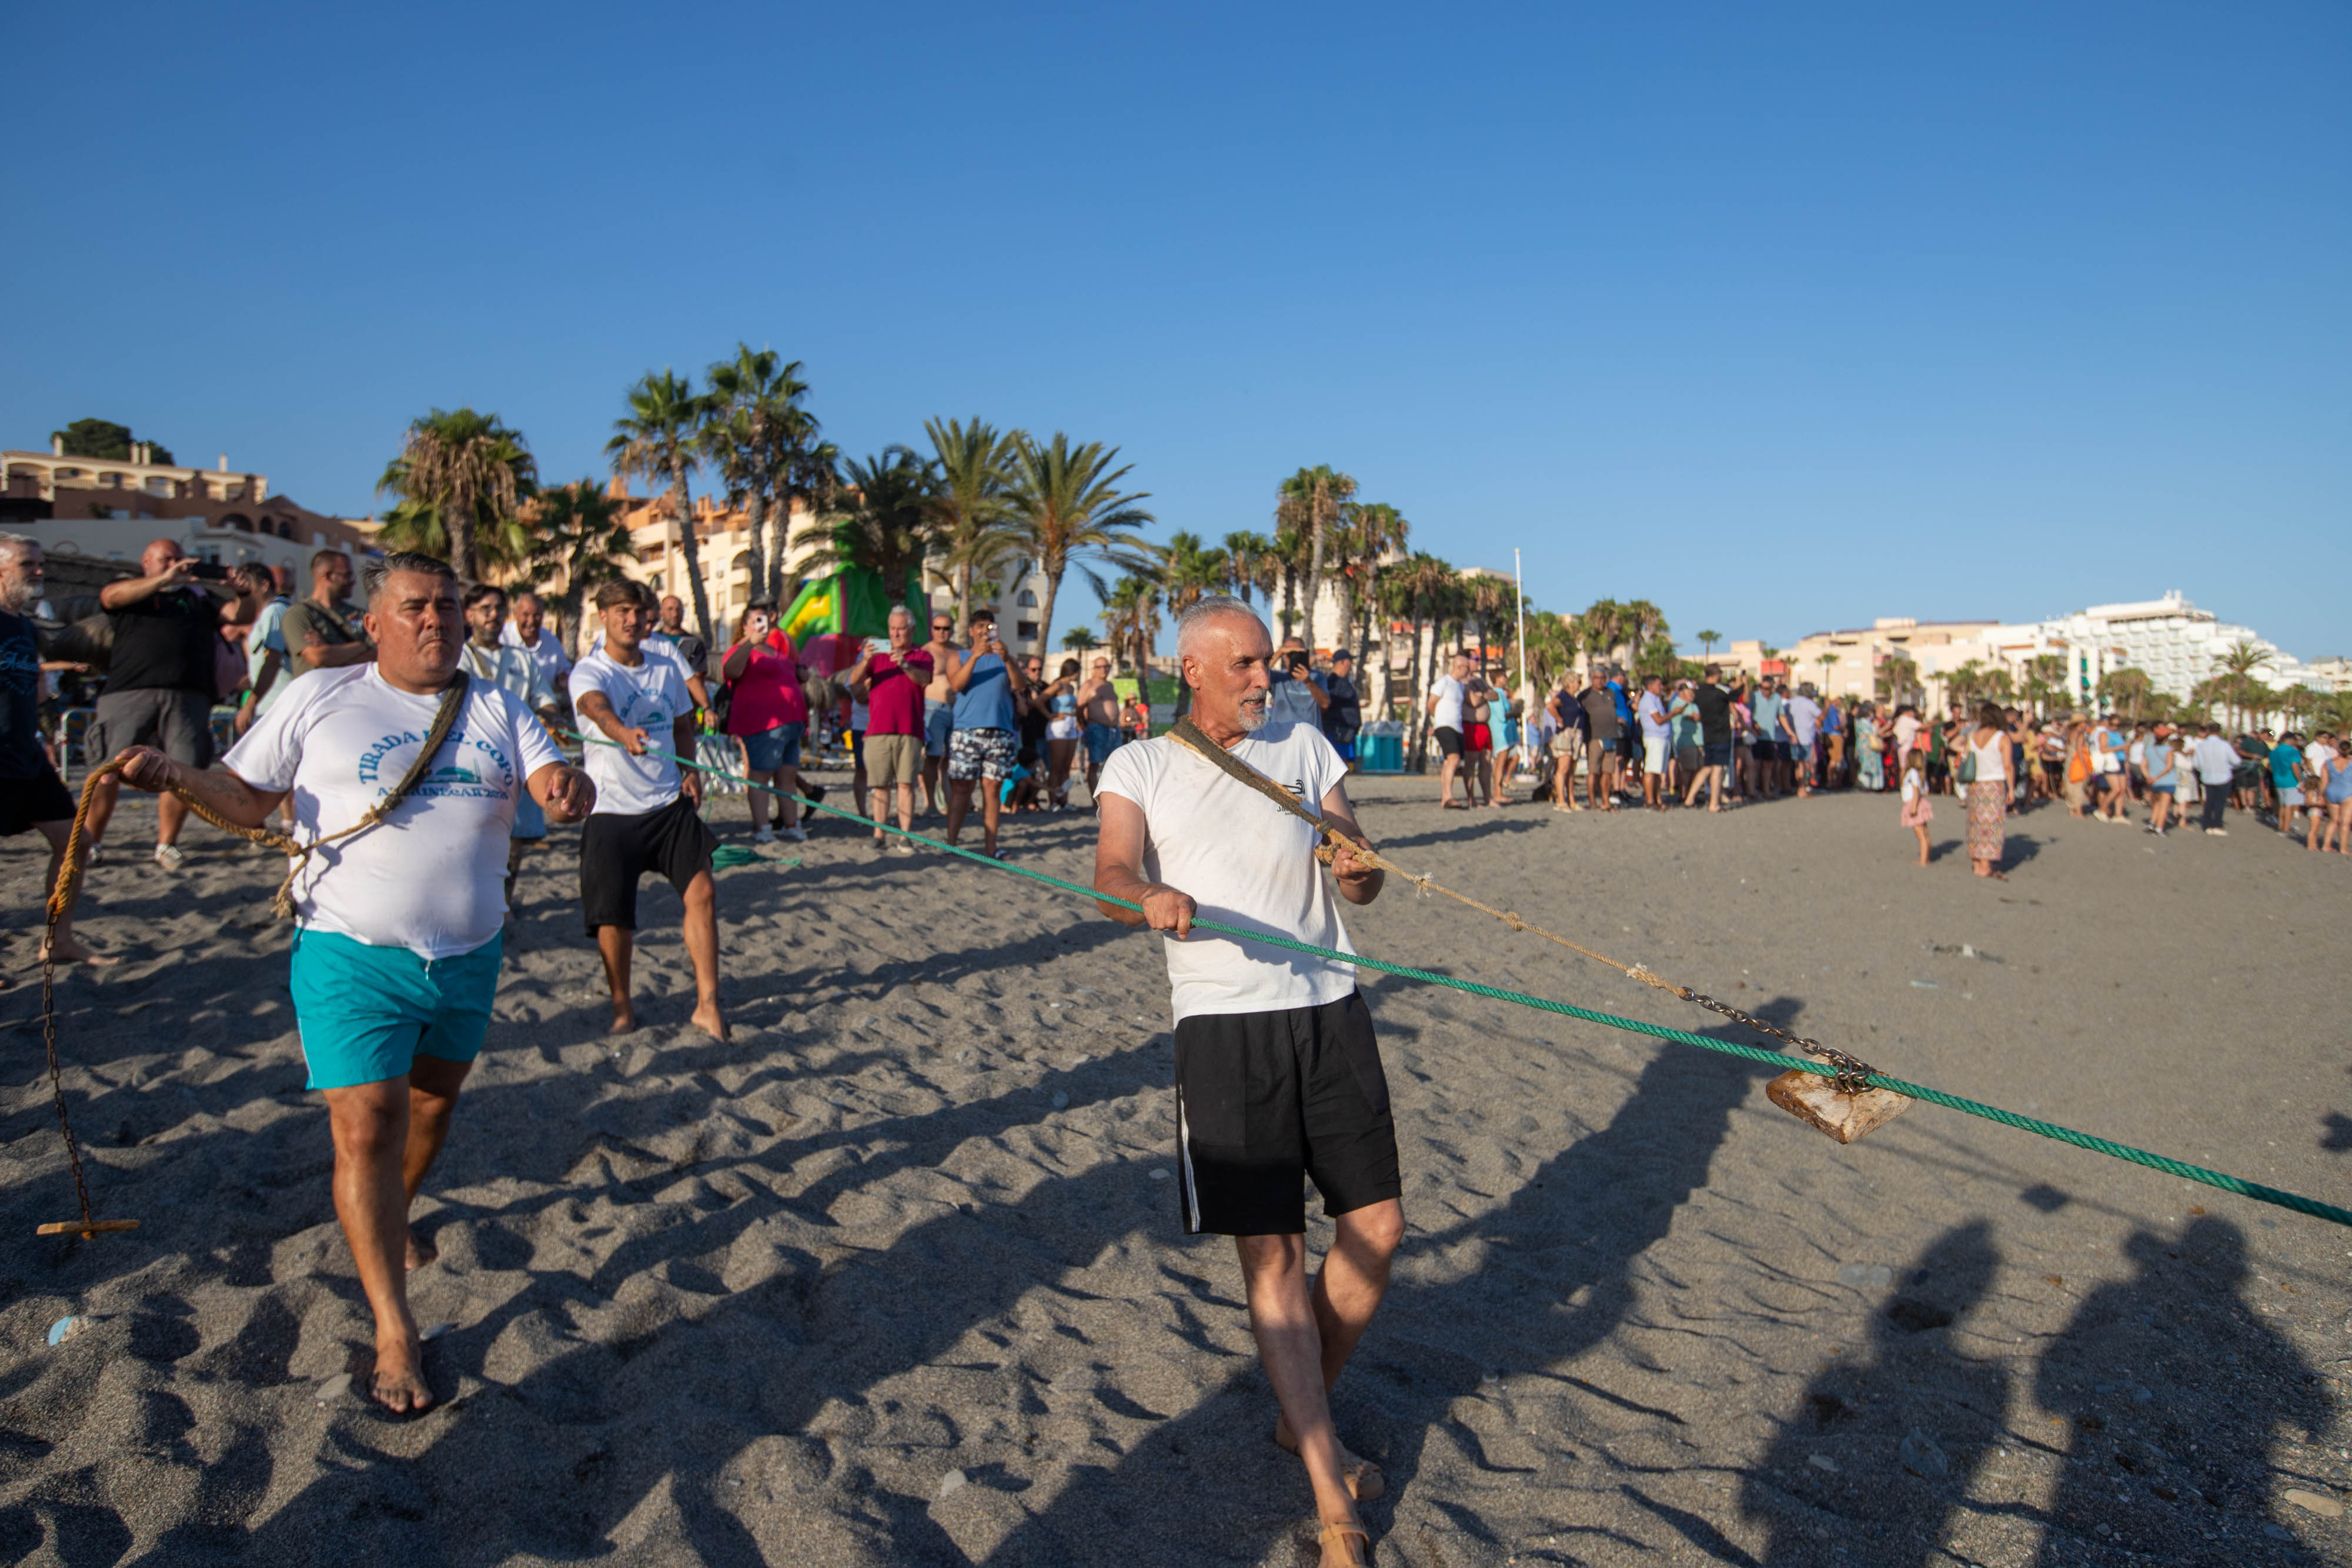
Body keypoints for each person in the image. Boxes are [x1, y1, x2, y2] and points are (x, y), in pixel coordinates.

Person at [116, 550, 595, 1411]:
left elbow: (553, 779)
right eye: (416, 606)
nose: (436, 619)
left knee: (434, 1106)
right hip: (348, 949)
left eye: (448, 605)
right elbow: (245, 797)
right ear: (374, 624)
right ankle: (394, 1328)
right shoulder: (318, 696)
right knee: (369, 1121)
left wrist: (570, 786)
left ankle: (390, 1209)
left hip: (469, 952)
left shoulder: (497, 703)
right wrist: (176, 776)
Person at [1090, 594, 1397, 1568]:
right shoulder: (1139, 764)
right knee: (1272, 1254)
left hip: (1330, 1006)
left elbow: (1360, 870)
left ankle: (1300, 1413)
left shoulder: (1304, 746)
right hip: (1225, 1025)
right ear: (1192, 669)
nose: (1268, 678)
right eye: (1248, 664)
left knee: (1379, 1227)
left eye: (1271, 662)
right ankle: (1328, 1486)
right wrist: (1148, 894)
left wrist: (1355, 868)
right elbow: (1109, 872)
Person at [571, 581, 726, 1040]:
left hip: (667, 804)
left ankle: (708, 1005)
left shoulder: (666, 666)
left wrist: (690, 771)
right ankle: (622, 1007)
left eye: (640, 612)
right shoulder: (590, 670)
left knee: (703, 893)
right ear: (603, 615)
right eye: (622, 610)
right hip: (610, 810)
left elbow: (682, 728)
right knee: (613, 917)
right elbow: (595, 707)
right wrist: (621, 732)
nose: (632, 620)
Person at [76, 538, 247, 871]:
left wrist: (242, 592)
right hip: (129, 691)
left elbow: (240, 615)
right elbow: (109, 597)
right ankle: (91, 841)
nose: (175, 564)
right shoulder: (131, 589)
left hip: (189, 695)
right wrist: (164, 580)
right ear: (146, 561)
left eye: (179, 559)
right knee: (108, 771)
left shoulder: (199, 597)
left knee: (180, 772)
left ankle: (167, 844)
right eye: (166, 559)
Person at [0, 535, 115, 967]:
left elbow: (30, 687)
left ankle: (58, 939)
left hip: (25, 755)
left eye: (40, 563)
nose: (39, 571)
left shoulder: (25, 627)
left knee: (77, 841)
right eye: (27, 564)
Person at [458, 583, 565, 909]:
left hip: (517, 760)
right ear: (469, 615)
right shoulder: (459, 658)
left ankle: (504, 903)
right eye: (485, 609)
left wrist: (549, 717)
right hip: (471, 761)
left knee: (514, 839)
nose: (493, 615)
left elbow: (545, 699)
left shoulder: (522, 659)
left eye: (498, 609)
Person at [719, 600, 808, 844]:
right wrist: (750, 643)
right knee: (760, 776)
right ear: (745, 625)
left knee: (787, 777)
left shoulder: (776, 651)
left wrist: (801, 677)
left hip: (791, 723)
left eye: (765, 620)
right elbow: (731, 671)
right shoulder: (741, 650)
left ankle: (791, 824)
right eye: (756, 620)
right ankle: (763, 827)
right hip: (763, 724)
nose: (762, 624)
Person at [844, 607, 934, 850]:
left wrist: (905, 664)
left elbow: (924, 680)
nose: (895, 634)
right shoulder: (877, 655)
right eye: (892, 628)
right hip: (878, 729)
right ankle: (879, 834)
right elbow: (853, 681)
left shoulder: (922, 655)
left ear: (912, 630)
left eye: (901, 629)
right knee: (880, 785)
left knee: (906, 784)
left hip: (910, 729)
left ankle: (905, 835)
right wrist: (865, 659)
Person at [944, 610, 1028, 858]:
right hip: (966, 731)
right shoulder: (958, 656)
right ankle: (951, 845)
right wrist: (975, 656)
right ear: (971, 630)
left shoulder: (1006, 658)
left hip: (1000, 732)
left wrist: (1008, 659)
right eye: (980, 626)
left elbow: (1020, 686)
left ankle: (991, 849)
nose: (984, 631)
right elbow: (957, 685)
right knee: (962, 789)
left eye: (989, 626)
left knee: (992, 790)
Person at [236, 565, 294, 735]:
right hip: (274, 707)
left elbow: (273, 660)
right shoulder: (273, 612)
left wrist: (250, 705)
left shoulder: (274, 611)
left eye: (246, 586)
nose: (241, 592)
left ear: (264, 585)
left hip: (276, 708)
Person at [1963, 703, 2010, 879]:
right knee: (1991, 825)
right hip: (1994, 784)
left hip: (1975, 785)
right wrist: (2012, 789)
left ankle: (1977, 862)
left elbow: (1967, 757)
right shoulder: (2001, 737)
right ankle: (1985, 865)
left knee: (1975, 823)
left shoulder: (1973, 735)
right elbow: (2008, 766)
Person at [920, 610, 960, 814]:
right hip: (933, 708)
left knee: (953, 760)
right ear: (932, 630)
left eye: (946, 628)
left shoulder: (959, 651)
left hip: (957, 710)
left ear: (952, 630)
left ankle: (952, 802)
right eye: (938, 628)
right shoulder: (926, 652)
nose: (942, 632)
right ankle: (931, 804)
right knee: (933, 757)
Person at [500, 590, 572, 701]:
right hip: (508, 703)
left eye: (537, 615)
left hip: (543, 704)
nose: (531, 621)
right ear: (516, 613)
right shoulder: (502, 638)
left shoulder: (551, 641)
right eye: (526, 615)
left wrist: (565, 680)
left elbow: (564, 673)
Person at [1682, 666, 1734, 812]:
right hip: (1721, 733)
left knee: (1708, 767)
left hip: (1707, 733)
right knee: (1718, 769)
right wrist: (1743, 683)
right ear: (1717, 675)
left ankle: (1689, 798)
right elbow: (1740, 698)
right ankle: (1714, 804)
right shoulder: (1720, 692)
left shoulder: (1699, 693)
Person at [1425, 650, 1472, 808]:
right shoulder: (1443, 682)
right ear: (1459, 667)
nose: (1469, 671)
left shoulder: (1460, 686)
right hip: (1444, 725)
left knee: (1448, 762)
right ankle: (1449, 797)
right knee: (1454, 759)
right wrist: (1437, 719)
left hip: (1458, 726)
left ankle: (1445, 797)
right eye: (1467, 667)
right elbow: (1431, 704)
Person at [1037, 656, 1084, 808]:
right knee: (1056, 766)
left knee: (1066, 767)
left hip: (1071, 725)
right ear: (1073, 671)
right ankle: (1053, 801)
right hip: (1058, 725)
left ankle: (1064, 800)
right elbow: (1039, 700)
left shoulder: (1071, 688)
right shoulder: (1057, 685)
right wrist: (1050, 716)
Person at [1578, 666, 1622, 811]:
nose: (1599, 681)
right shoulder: (1585, 695)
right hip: (1594, 737)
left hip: (1611, 735)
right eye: (1596, 678)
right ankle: (1592, 802)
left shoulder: (1610, 693)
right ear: (1591, 679)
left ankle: (1605, 801)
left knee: (1608, 771)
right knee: (1593, 771)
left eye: (1602, 678)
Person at [1078, 654, 1122, 795]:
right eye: (1100, 667)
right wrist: (1083, 725)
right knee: (1095, 764)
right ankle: (1094, 801)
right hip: (1097, 727)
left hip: (1114, 729)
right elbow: (1079, 707)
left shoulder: (1110, 685)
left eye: (1106, 666)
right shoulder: (1089, 684)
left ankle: (1111, 797)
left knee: (1116, 763)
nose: (1104, 669)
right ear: (1094, 669)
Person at [1546, 673, 1588, 811]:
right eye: (1578, 681)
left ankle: (1571, 800)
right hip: (1566, 734)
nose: (1580, 684)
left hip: (1576, 734)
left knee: (1571, 769)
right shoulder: (1563, 696)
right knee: (1563, 768)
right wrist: (1559, 719)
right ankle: (1561, 800)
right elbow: (1550, 705)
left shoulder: (1575, 699)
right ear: (1570, 683)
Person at [2190, 724, 2240, 836]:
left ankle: (2207, 825)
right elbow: (2236, 761)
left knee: (2209, 801)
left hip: (2208, 777)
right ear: (2219, 732)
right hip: (2224, 777)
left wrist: (2204, 770)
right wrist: (2229, 767)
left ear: (2208, 731)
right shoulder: (2224, 745)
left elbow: (2196, 764)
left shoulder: (2202, 746)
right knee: (2220, 802)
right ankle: (2217, 825)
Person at [1635, 673, 1671, 811]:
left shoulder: (1656, 699)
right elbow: (1658, 720)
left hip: (1662, 737)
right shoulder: (1648, 700)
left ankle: (1657, 799)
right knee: (1651, 770)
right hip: (1654, 737)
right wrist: (1674, 713)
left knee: (1658, 771)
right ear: (1650, 686)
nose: (1661, 687)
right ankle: (1650, 800)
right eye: (1658, 685)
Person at [1322, 649, 1363, 770]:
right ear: (1343, 662)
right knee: (1338, 767)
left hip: (1347, 732)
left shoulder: (1345, 682)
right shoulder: (1333, 682)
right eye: (1350, 661)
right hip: (1338, 731)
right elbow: (1327, 704)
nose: (1351, 664)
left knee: (1345, 766)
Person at [652, 593, 709, 679]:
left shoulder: (694, 643)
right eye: (670, 609)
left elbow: (698, 677)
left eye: (678, 610)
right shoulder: (651, 640)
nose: (675, 614)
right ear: (661, 612)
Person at [2269, 731, 2313, 842]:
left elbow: (2271, 766)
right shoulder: (2293, 751)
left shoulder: (2274, 751)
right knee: (2290, 806)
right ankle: (2286, 828)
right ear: (2291, 740)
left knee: (2283, 805)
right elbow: (2295, 767)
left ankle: (2281, 826)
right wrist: (2300, 782)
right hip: (2291, 781)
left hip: (2278, 780)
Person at [2141, 724, 2180, 836]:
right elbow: (2169, 767)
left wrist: (2149, 777)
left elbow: (2143, 765)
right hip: (2167, 780)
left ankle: (2152, 823)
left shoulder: (2149, 749)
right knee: (2164, 806)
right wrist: (2157, 777)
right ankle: (2159, 828)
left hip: (2153, 781)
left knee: (2156, 804)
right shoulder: (2169, 750)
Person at [1785, 683, 1823, 797]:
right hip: (1805, 737)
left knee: (1798, 764)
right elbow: (1821, 717)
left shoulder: (1791, 702)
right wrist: (1827, 706)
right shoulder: (1809, 703)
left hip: (1793, 737)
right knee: (1803, 764)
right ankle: (1802, 789)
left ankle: (1798, 787)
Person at [1899, 742, 1933, 866]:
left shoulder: (1912, 772)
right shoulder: (1921, 774)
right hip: (1920, 803)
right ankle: (1927, 858)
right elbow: (1926, 791)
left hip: (1914, 803)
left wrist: (1913, 807)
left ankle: (1923, 861)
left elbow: (1916, 790)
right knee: (1924, 832)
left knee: (1920, 833)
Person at [2320, 737, 2352, 856]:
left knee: (2333, 821)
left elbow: (2323, 782)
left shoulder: (2328, 763)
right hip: (2348, 793)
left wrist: (2321, 796)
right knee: (2345, 822)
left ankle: (2326, 846)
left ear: (2338, 750)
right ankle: (2343, 848)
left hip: (2331, 792)